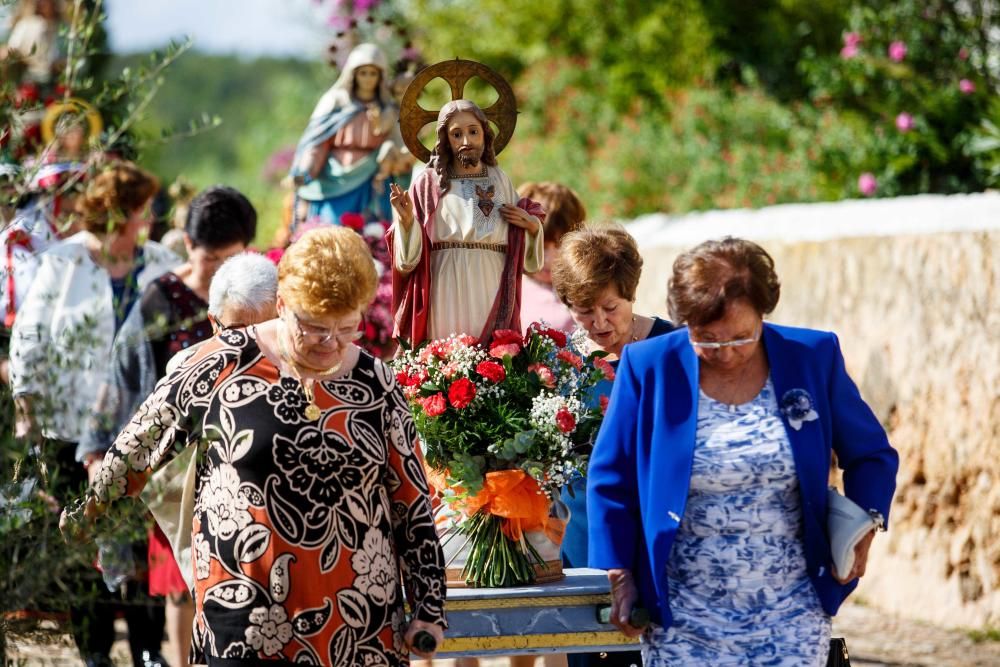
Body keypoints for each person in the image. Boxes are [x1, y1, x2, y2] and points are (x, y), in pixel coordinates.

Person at [63, 226, 448, 666]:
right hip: (244, 611)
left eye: (347, 328)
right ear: (282, 305)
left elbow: (411, 503)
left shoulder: (375, 382)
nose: (331, 344)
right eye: (315, 327)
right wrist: (90, 511)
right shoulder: (221, 361)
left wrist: (428, 607)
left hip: (357, 617)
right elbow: (140, 444)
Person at [588, 237, 900, 666]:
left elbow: (871, 454)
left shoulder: (812, 356)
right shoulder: (649, 365)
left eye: (740, 337)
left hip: (792, 606)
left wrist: (868, 523)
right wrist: (620, 572)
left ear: (762, 315)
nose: (726, 353)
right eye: (707, 340)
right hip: (683, 612)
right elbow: (611, 476)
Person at [9, 160, 178, 667]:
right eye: (139, 213)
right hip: (71, 426)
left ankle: (149, 646)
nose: (146, 222)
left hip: (146, 429)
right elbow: (30, 339)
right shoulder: (62, 265)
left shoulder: (162, 264)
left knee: (144, 534)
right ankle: (96, 650)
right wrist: (28, 409)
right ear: (113, 216)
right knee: (80, 537)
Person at [86, 185, 255, 667]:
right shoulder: (161, 298)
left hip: (244, 457)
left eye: (231, 258)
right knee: (182, 581)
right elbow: (121, 378)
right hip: (177, 465)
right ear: (186, 244)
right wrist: (99, 449)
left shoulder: (257, 294)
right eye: (210, 259)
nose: (220, 271)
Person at [548, 226, 674, 667]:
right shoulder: (561, 363)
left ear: (631, 294)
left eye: (610, 308)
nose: (600, 323)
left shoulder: (671, 347)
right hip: (584, 536)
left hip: (657, 532)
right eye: (584, 311)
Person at [388, 99, 545, 344]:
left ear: (485, 134)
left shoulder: (499, 178)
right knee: (449, 352)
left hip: (491, 278)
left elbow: (520, 243)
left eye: (473, 131)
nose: (466, 141)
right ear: (445, 140)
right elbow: (407, 259)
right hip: (445, 278)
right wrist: (407, 221)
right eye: (456, 134)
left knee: (489, 354)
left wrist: (532, 228)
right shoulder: (429, 181)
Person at [290, 42, 401, 227]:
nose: (367, 79)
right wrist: (305, 171)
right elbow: (317, 141)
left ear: (380, 76)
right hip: (333, 176)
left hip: (371, 177)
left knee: (370, 230)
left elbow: (397, 141)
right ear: (353, 74)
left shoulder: (386, 109)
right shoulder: (335, 101)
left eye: (372, 73)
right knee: (331, 227)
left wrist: (392, 153)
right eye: (362, 73)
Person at [517, 182, 586, 333]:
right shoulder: (514, 292)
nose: (549, 259)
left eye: (560, 245)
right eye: (540, 246)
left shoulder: (586, 285)